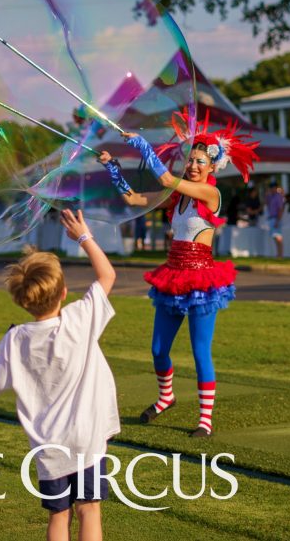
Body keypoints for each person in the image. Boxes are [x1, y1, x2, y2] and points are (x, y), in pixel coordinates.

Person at [100, 109, 258, 436]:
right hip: (173, 278)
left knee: (201, 351)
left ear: (213, 167)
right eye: (192, 160)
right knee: (158, 349)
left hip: (202, 281)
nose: (194, 166)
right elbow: (134, 200)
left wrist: (144, 146)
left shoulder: (210, 194)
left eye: (201, 162)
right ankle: (166, 397)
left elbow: (168, 179)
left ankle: (205, 420)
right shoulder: (178, 198)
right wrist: (113, 168)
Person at [0, 209, 119, 541]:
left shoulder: (14, 339)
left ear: (21, 300)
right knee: (89, 509)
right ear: (63, 293)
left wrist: (11, 342)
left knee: (58, 515)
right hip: (87, 438)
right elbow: (107, 276)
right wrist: (84, 236)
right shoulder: (79, 319)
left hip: (48, 447)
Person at [265, 181, 284, 258]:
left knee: (278, 237)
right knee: (275, 237)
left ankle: (280, 255)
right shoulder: (271, 196)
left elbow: (280, 209)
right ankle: (278, 254)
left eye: (273, 187)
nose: (272, 189)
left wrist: (278, 220)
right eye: (271, 188)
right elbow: (266, 202)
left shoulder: (278, 196)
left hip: (276, 218)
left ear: (276, 188)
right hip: (272, 218)